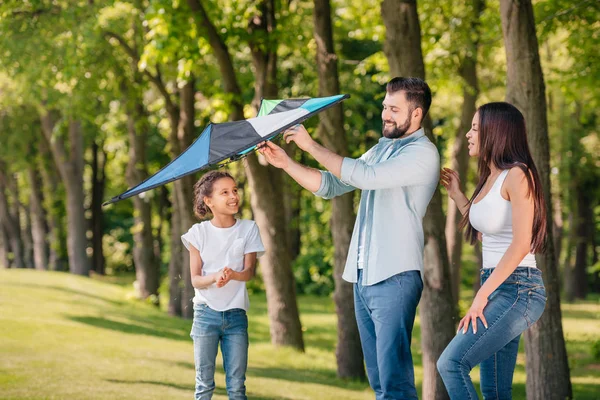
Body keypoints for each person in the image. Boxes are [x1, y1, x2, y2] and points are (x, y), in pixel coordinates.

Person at [259, 77, 439, 399]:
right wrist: (286, 162)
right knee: (380, 383)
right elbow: (332, 185)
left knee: (395, 382)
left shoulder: (423, 154)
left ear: (416, 114)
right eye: (385, 106)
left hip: (395, 277)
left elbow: (363, 176)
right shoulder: (383, 149)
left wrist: (310, 145)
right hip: (363, 279)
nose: (385, 114)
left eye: (394, 109)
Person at [437, 102, 547, 399]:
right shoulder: (490, 177)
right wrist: (459, 196)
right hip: (498, 284)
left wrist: (481, 296)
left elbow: (522, 242)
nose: (468, 134)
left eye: (475, 128)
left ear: (495, 132)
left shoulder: (518, 175)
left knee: (451, 363)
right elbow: (488, 233)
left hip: (520, 289)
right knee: (495, 390)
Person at [181, 170, 265, 400]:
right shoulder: (197, 233)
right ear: (208, 201)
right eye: (225, 192)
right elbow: (196, 279)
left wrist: (232, 275)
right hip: (205, 315)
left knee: (237, 386)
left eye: (235, 190)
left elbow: (249, 273)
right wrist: (215, 276)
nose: (233, 196)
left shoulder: (248, 228)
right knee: (204, 385)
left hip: (236, 316)